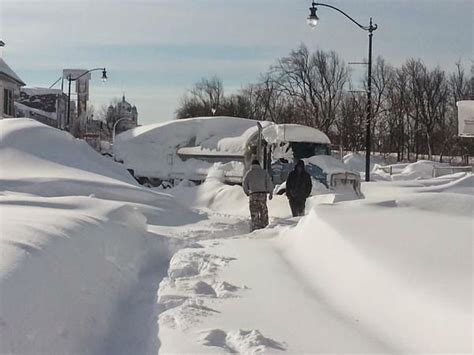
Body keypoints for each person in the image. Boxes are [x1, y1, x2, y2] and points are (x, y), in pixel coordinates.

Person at [242, 159, 274, 231]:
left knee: (254, 211)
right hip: (262, 194)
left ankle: (255, 227)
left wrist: (247, 192)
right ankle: (264, 226)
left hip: (253, 194)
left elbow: (244, 183)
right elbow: (269, 182)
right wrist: (271, 193)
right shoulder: (264, 172)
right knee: (263, 210)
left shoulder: (249, 173)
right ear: (259, 165)